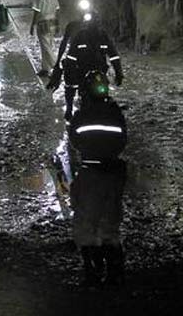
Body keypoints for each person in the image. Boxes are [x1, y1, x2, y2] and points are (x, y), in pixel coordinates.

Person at [68, 71, 127, 286]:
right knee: (111, 220)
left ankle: (92, 268)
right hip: (113, 172)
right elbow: (122, 140)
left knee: (86, 220)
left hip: (90, 173)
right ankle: (115, 269)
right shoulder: (115, 112)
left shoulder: (82, 115)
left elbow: (75, 140)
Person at [48, 9, 123, 120]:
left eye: (96, 23)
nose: (94, 26)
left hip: (99, 71)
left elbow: (114, 55)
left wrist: (119, 72)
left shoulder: (103, 36)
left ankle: (102, 109)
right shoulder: (80, 36)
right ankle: (69, 109)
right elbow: (71, 56)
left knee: (102, 88)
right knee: (70, 84)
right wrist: (67, 68)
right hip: (82, 70)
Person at [27, 0, 60, 76]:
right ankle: (45, 69)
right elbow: (57, 9)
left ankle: (56, 66)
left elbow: (36, 12)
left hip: (43, 23)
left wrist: (32, 25)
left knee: (46, 47)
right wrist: (58, 23)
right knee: (48, 45)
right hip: (53, 22)